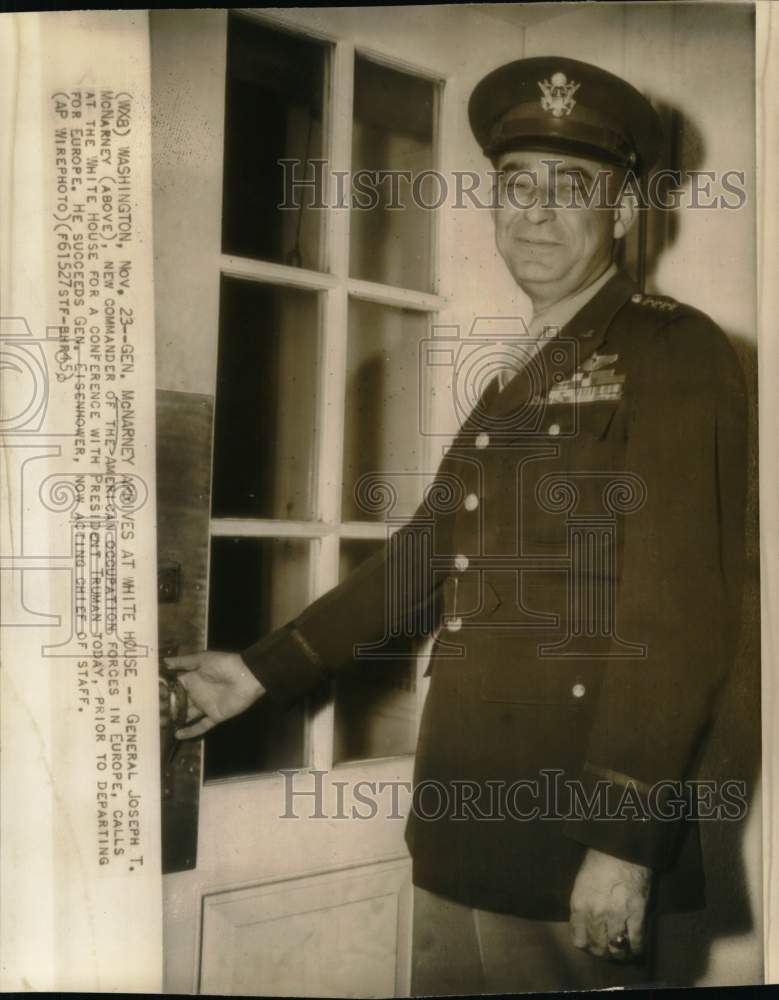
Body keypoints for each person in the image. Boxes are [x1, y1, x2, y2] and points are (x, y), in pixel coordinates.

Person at [167, 56, 747, 993]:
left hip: (574, 839)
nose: (536, 212)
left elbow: (680, 619)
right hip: (460, 820)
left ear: (627, 211)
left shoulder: (673, 351)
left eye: (573, 188)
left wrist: (624, 843)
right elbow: (425, 555)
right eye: (516, 186)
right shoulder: (522, 367)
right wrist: (257, 671)